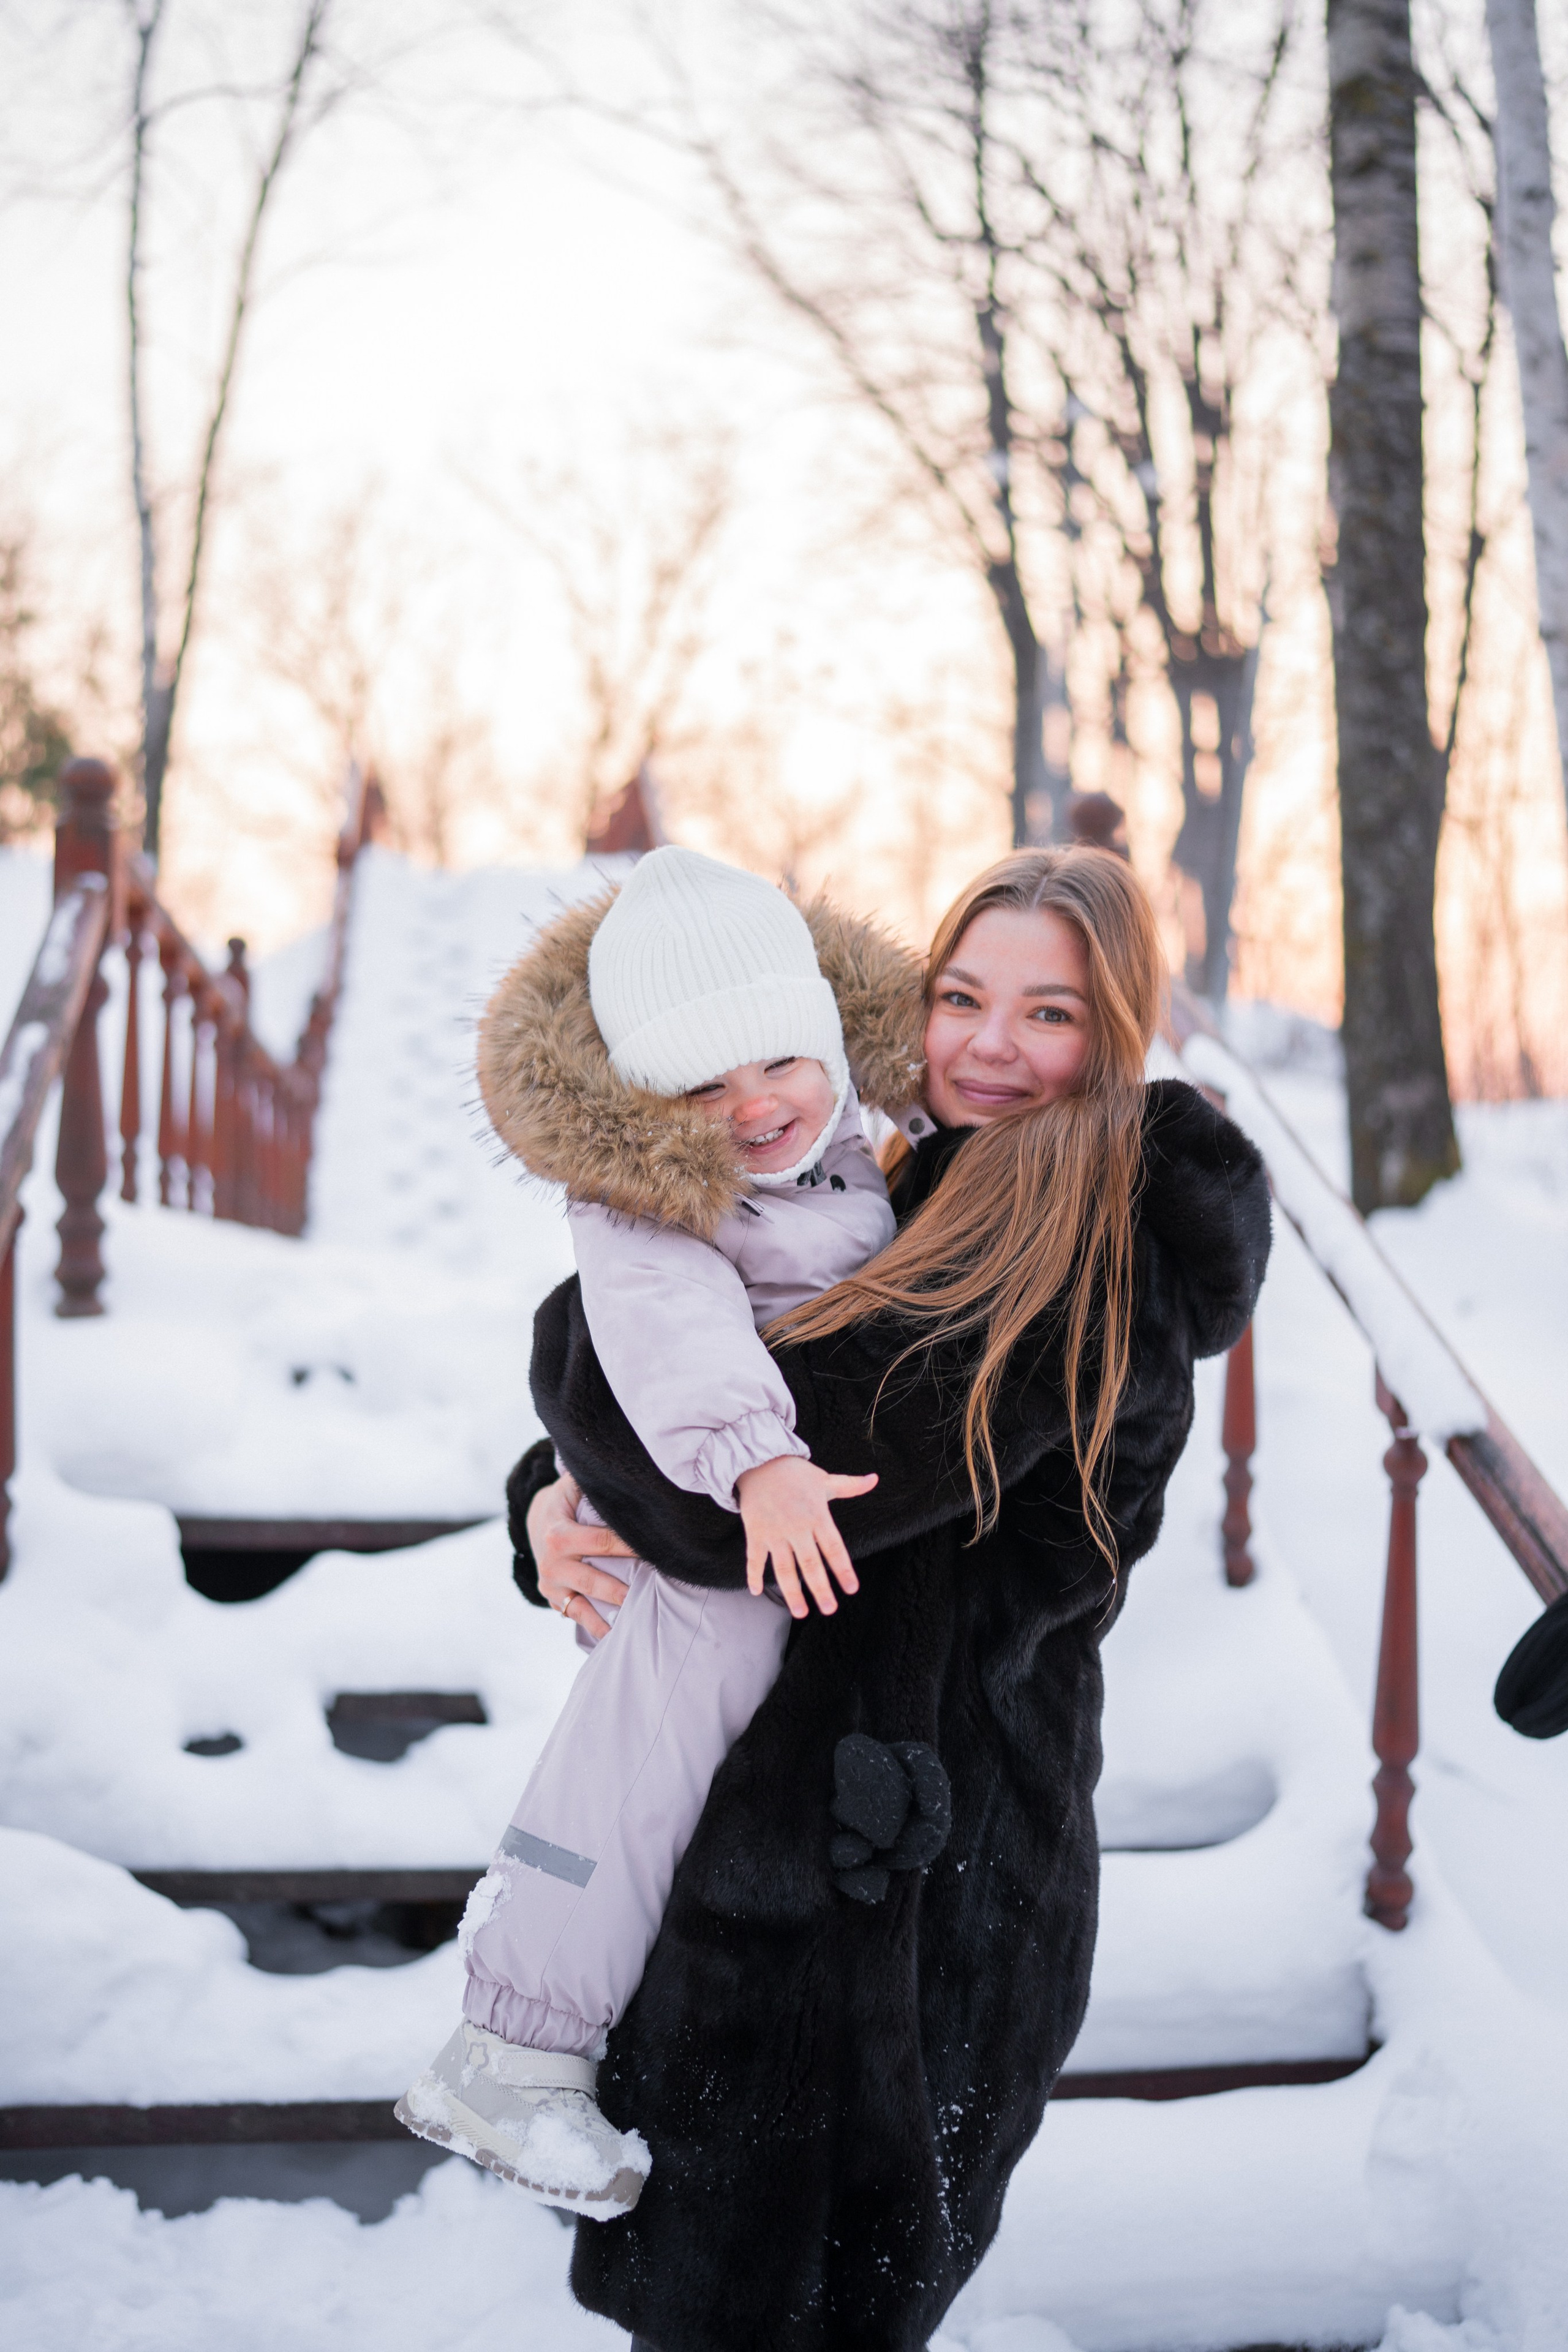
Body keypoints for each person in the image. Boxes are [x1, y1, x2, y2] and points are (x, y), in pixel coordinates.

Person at [514, 846, 1272, 2352]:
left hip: (931, 1866)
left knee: (805, 2302)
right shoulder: (880, 1177)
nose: (992, 1047)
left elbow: (743, 1481)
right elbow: (720, 1405)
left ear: (1113, 1035)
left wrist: (584, 1363)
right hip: (776, 1822)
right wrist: (549, 1493)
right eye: (961, 996)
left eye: (1048, 1014)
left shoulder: (1082, 1249)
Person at [397, 845, 930, 2217]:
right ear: (648, 1102)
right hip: (723, 1536)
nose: (751, 1106)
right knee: (639, 1763)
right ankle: (511, 2047)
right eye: (700, 1084)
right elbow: (667, 1328)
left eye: (777, 1064)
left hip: (791, 1573)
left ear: (827, 1046)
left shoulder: (859, 1159)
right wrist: (753, 1464)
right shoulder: (649, 1200)